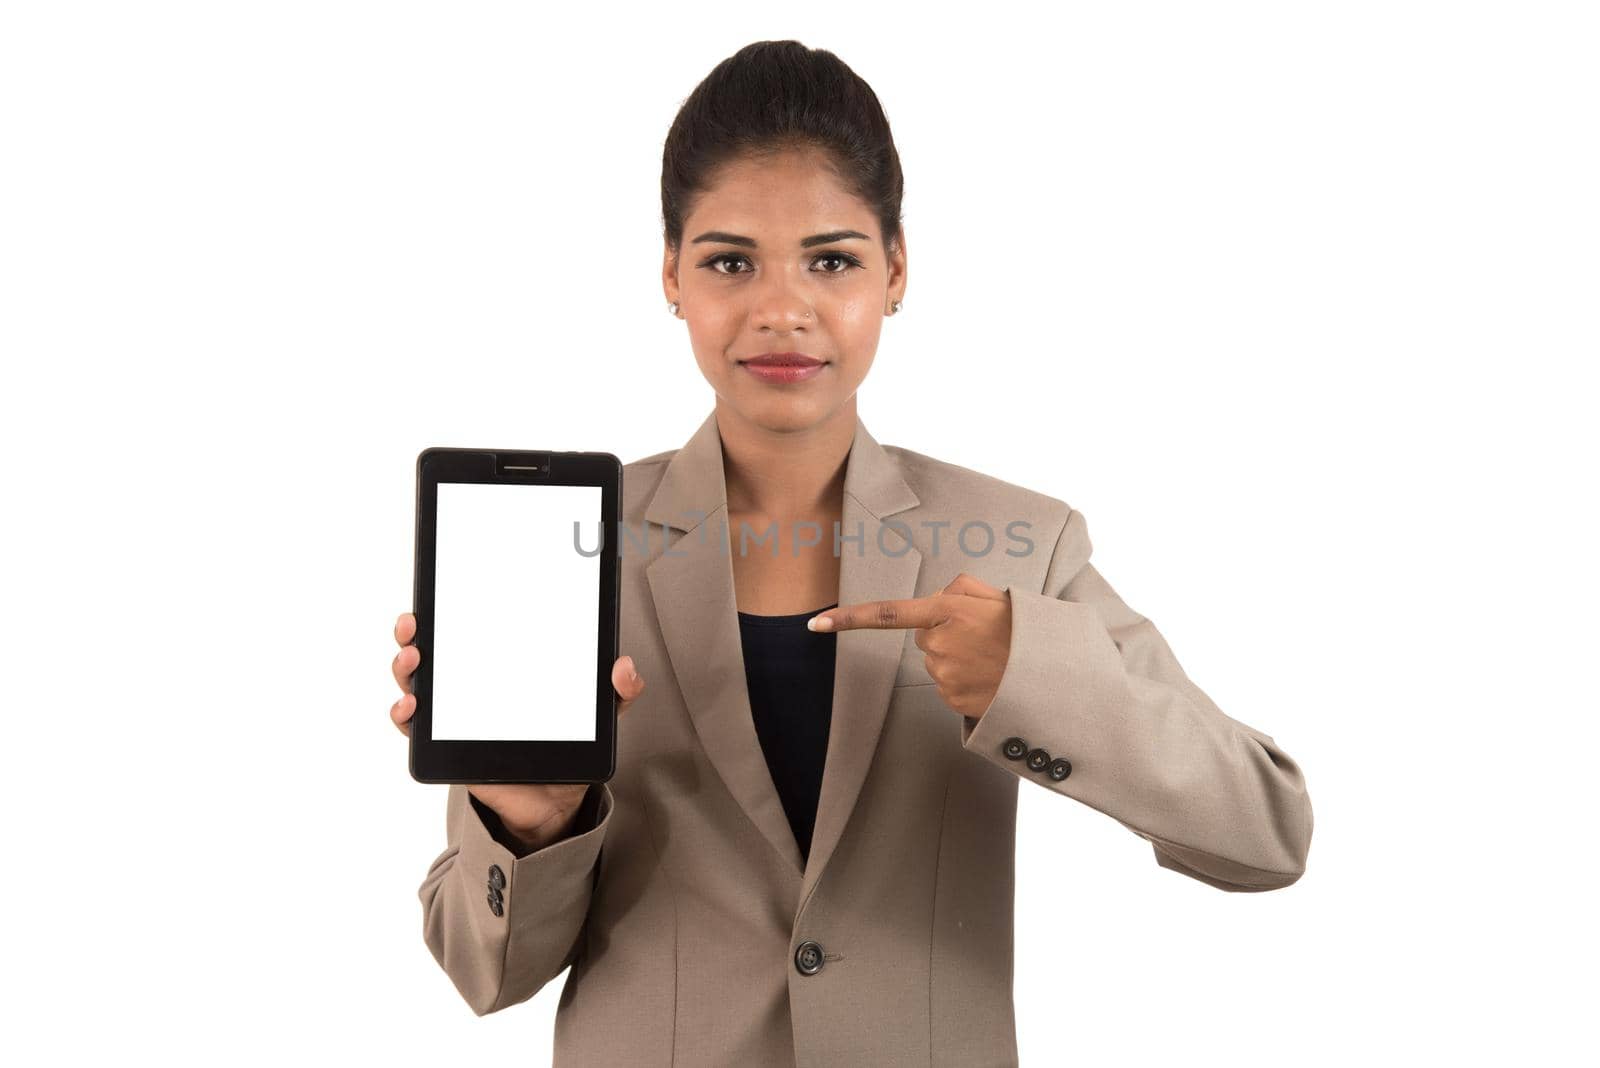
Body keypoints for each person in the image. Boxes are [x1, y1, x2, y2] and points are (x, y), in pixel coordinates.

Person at [388, 39, 1313, 1067]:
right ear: (670, 275)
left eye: (830, 260)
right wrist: (526, 824)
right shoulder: (573, 551)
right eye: (729, 261)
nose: (783, 309)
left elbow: (1265, 834)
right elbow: (483, 974)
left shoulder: (1017, 543)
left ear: (897, 269)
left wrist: (1034, 679)